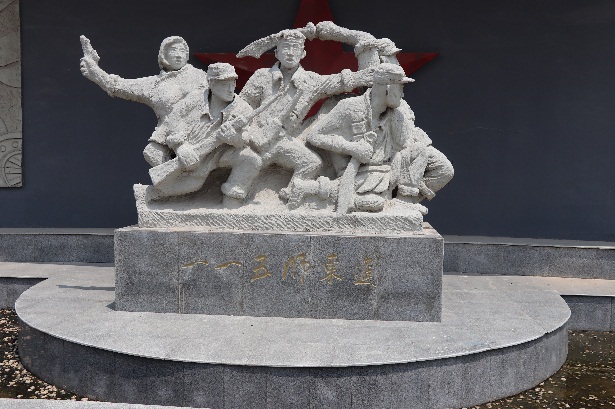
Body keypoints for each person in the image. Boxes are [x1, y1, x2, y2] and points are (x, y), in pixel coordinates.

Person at [236, 29, 374, 201]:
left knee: (311, 163)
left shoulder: (310, 81)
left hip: (281, 141)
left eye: (295, 48)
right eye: (285, 47)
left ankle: (290, 196)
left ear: (303, 53)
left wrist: (369, 75)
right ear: (277, 53)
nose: (290, 53)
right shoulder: (261, 76)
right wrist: (250, 133)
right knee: (239, 181)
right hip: (253, 138)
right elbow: (241, 106)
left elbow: (339, 82)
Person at [306, 63, 453, 213]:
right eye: (400, 88)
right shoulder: (349, 107)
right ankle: (360, 199)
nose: (402, 94)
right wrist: (352, 148)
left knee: (435, 162)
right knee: (373, 203)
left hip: (390, 170)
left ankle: (405, 201)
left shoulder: (396, 114)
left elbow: (405, 145)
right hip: (361, 175)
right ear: (388, 88)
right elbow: (314, 135)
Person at [79, 36, 208, 167]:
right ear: (164, 54)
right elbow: (118, 85)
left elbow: (216, 95)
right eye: (173, 50)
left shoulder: (200, 76)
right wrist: (95, 71)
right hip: (169, 140)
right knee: (153, 154)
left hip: (203, 131)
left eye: (182, 51)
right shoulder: (154, 84)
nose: (179, 55)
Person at [150, 63, 260, 202]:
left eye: (233, 84)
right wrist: (180, 146)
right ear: (211, 83)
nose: (230, 89)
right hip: (189, 148)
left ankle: (232, 201)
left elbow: (247, 138)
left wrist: (234, 139)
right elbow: (173, 121)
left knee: (251, 158)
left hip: (219, 153)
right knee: (186, 181)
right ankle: (153, 193)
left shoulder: (243, 108)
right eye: (224, 84)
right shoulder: (194, 99)